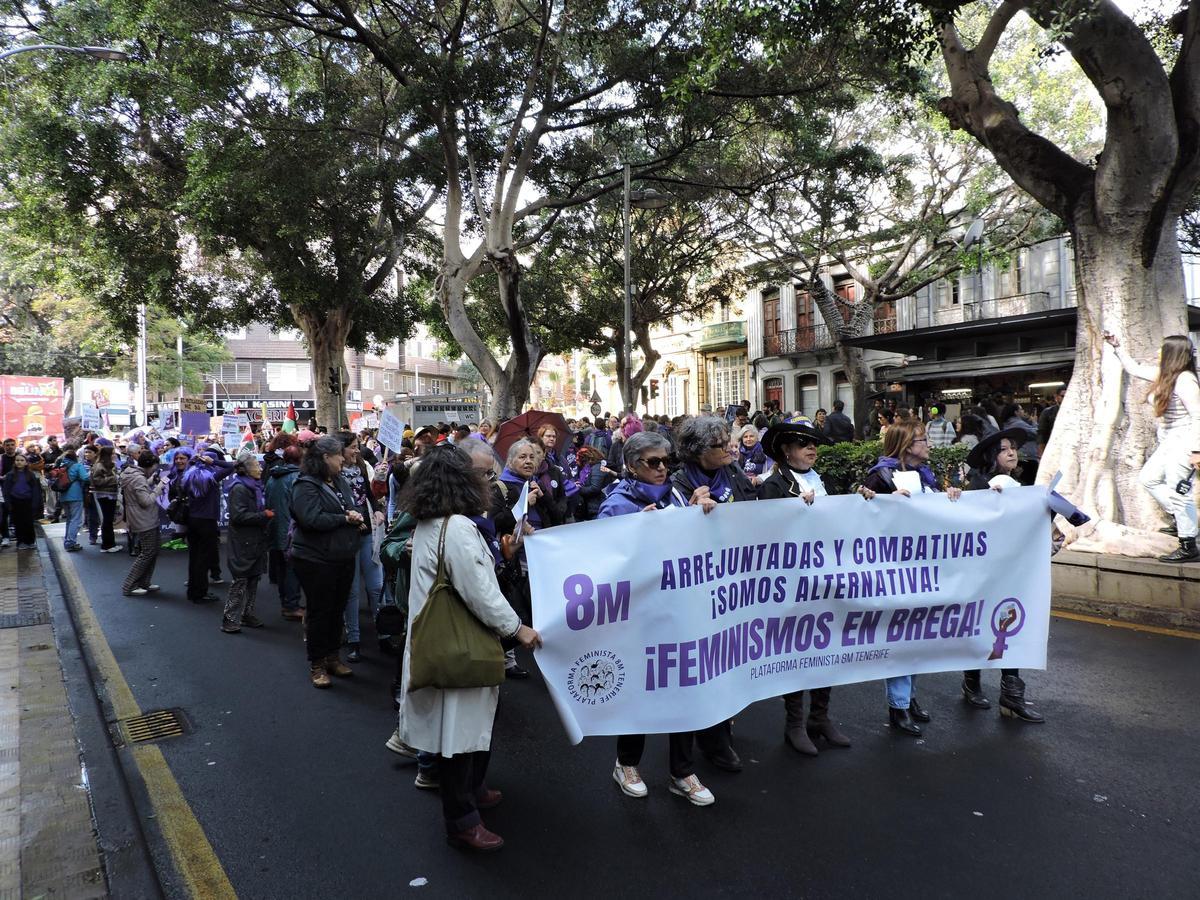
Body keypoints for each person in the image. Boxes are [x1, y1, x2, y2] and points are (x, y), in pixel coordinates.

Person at [394, 445, 541, 852]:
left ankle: (474, 791)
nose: (489, 483)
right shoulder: (456, 527)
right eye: (484, 476)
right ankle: (462, 820)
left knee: (467, 731)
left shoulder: (433, 523)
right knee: (458, 738)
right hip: (460, 645)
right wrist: (517, 629)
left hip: (450, 640)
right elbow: (480, 593)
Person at [598, 431, 717, 806]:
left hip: (681, 610)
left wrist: (700, 512)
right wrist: (634, 529)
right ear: (632, 466)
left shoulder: (678, 495)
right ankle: (626, 764)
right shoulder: (617, 504)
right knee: (643, 690)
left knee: (685, 687)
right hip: (640, 617)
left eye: (667, 461)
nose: (663, 468)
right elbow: (602, 557)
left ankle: (681, 771)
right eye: (653, 462)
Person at [758, 421, 855, 755]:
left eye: (814, 443)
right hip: (794, 584)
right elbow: (765, 536)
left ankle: (820, 717)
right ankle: (795, 723)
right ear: (787, 450)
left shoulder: (824, 481)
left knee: (826, 648)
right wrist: (797, 511)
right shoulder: (774, 486)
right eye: (803, 443)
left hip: (827, 578)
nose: (811, 449)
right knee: (798, 652)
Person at [862, 419, 962, 736]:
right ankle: (898, 706)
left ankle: (909, 698)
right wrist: (878, 500)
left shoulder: (925, 476)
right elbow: (863, 515)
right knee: (900, 639)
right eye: (922, 440)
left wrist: (952, 497)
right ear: (906, 446)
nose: (928, 445)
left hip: (925, 570)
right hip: (895, 571)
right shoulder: (881, 475)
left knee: (917, 638)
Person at [671, 416, 756, 772]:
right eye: (720, 444)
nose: (729, 448)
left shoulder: (733, 473)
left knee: (728, 662)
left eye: (728, 441)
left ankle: (721, 732)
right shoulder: (675, 484)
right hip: (695, 592)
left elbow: (758, 508)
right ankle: (703, 744)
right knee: (700, 666)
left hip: (732, 586)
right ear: (697, 451)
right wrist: (688, 516)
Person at [959, 429, 1046, 723]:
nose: (1012, 453)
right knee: (980, 629)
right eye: (1004, 449)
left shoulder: (1017, 485)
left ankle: (1011, 695)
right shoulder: (978, 486)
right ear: (990, 456)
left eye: (1014, 449)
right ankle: (971, 683)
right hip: (983, 575)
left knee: (1009, 629)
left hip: (1011, 572)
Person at [1104, 331, 1200, 561]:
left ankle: (1189, 545)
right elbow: (1133, 368)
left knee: (1179, 491)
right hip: (1169, 440)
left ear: (1172, 354)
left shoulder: (1185, 380)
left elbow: (1198, 416)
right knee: (1149, 478)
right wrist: (1117, 346)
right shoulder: (1164, 375)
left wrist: (1196, 450)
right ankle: (1184, 519)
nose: (1159, 352)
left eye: (1163, 349)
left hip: (1185, 440)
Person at [290, 435, 363, 687]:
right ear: (325, 457)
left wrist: (356, 514)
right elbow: (311, 519)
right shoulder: (305, 485)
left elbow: (350, 506)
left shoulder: (339, 480)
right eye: (338, 455)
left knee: (336, 610)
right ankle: (317, 664)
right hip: (315, 559)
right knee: (320, 612)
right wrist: (345, 518)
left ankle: (333, 656)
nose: (343, 458)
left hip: (342, 556)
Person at [339, 432, 387, 661]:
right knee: (352, 591)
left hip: (367, 532)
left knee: (376, 586)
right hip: (347, 535)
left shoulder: (360, 465)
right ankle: (354, 639)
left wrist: (377, 508)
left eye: (357, 446)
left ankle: (384, 633)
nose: (357, 450)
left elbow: (368, 493)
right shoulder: (333, 473)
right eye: (353, 447)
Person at [220, 452, 272, 633]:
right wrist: (263, 516)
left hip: (256, 540)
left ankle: (247, 614)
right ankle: (229, 618)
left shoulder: (255, 486)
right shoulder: (240, 488)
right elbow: (238, 516)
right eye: (256, 466)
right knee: (240, 580)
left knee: (253, 579)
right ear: (246, 469)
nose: (260, 468)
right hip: (244, 542)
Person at [182, 449, 235, 604]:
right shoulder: (212, 477)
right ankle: (200, 593)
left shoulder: (188, 476)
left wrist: (195, 461)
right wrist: (214, 462)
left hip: (192, 519)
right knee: (204, 559)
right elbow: (231, 466)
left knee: (194, 557)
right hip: (207, 521)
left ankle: (193, 591)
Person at [265, 445, 304, 621]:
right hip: (288, 529)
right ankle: (291, 605)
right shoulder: (297, 478)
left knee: (282, 568)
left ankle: (286, 602)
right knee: (291, 569)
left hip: (274, 526)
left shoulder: (273, 477)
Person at [119, 450, 163, 596]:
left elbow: (139, 487)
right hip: (144, 518)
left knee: (152, 551)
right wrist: (158, 488)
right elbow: (145, 501)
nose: (154, 470)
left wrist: (150, 482)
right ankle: (129, 585)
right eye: (154, 468)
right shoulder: (138, 478)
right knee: (147, 553)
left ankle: (144, 582)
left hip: (139, 517)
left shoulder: (132, 473)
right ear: (149, 466)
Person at [2, 452, 42, 549]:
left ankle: (30, 541)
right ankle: (21, 542)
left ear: (26, 463)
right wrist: (8, 503)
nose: (19, 462)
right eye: (17, 460)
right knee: (18, 522)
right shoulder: (10, 475)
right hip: (15, 501)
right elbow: (6, 490)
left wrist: (35, 503)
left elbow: (35, 490)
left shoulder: (30, 475)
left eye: (21, 460)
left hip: (28, 501)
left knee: (28, 522)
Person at [89, 446, 121, 552]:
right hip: (105, 494)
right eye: (112, 453)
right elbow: (97, 481)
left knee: (108, 519)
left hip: (110, 494)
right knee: (107, 520)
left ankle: (109, 543)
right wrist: (114, 478)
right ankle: (108, 545)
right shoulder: (99, 465)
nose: (115, 455)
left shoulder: (110, 465)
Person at [58, 446, 89, 551]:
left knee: (69, 520)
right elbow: (85, 477)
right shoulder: (77, 466)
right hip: (75, 495)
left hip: (63, 495)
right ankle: (70, 542)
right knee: (76, 520)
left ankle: (67, 541)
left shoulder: (61, 465)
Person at [1037, 386, 1066, 456]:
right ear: (1056, 397)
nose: (1066, 399)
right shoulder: (1048, 412)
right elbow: (1041, 432)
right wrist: (1041, 451)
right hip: (1053, 449)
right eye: (1063, 396)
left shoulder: (1077, 413)